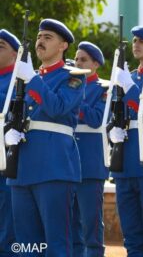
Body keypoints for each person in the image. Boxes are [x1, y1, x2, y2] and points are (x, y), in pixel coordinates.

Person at [5, 19, 86, 254]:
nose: (41, 41)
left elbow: (58, 107)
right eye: (40, 37)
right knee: (28, 244)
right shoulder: (24, 78)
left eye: (48, 38)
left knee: (56, 241)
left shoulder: (73, 76)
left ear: (63, 45)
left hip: (54, 167)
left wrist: (32, 79)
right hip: (22, 168)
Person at [108, 25, 143, 256]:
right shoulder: (128, 76)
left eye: (142, 41)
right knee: (131, 233)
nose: (136, 44)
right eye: (134, 40)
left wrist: (128, 86)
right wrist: (111, 130)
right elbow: (111, 114)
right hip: (125, 161)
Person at [72, 41, 110, 257]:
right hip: (67, 162)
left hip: (91, 164)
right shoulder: (68, 84)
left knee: (91, 226)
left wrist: (74, 99)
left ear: (96, 64)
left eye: (83, 59)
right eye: (76, 59)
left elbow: (97, 119)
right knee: (70, 226)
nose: (78, 62)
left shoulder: (104, 88)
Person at [0, 29, 20, 255]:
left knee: (8, 224)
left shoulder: (18, 80)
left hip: (6, 159)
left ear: (15, 55)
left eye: (1, 46)